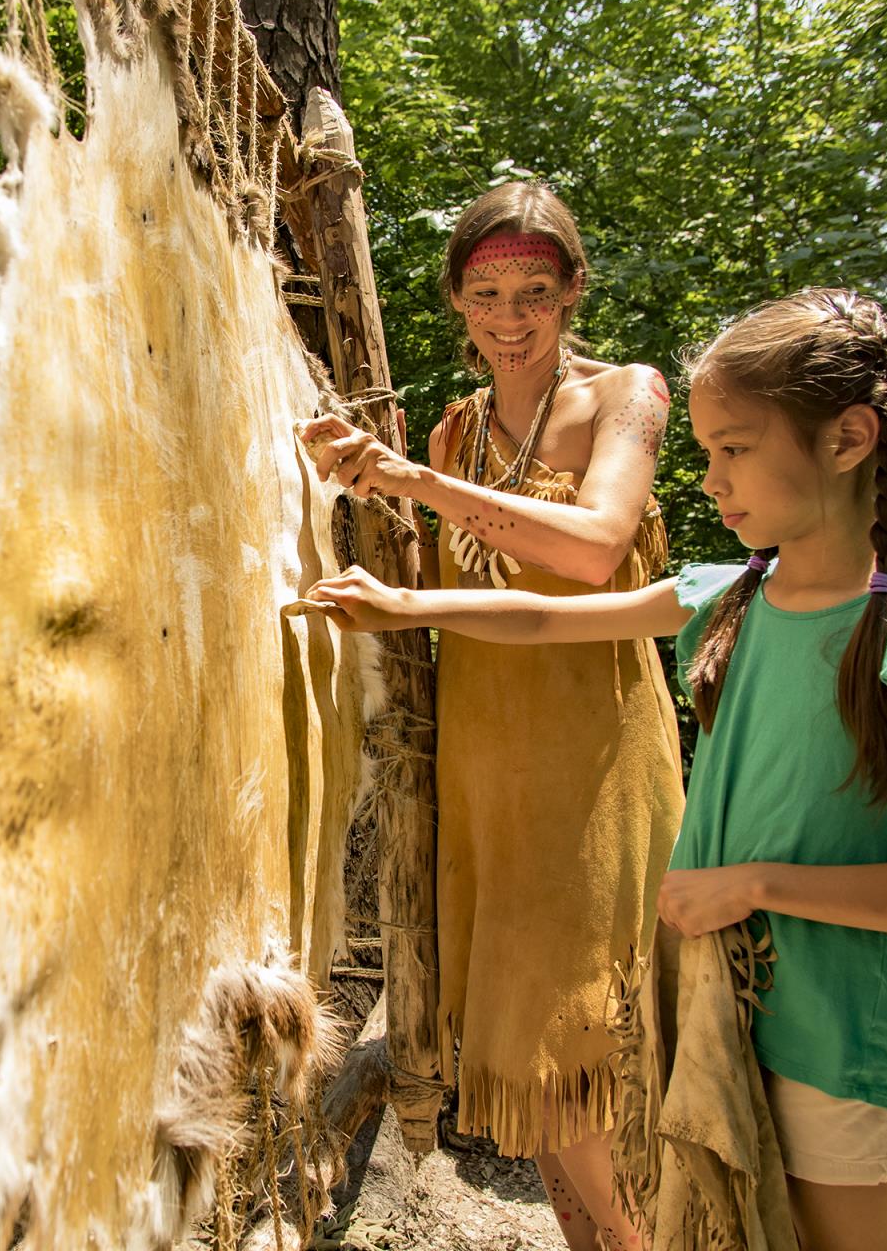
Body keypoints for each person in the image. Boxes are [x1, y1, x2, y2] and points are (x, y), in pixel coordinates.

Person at [303, 288, 887, 1251]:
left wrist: (759, 886)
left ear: (849, 440)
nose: (706, 479)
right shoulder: (731, 594)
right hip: (718, 1028)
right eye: (704, 452)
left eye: (733, 449)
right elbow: (539, 617)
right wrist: (402, 605)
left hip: (845, 1047)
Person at [298, 181, 681, 1249]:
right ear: (458, 301)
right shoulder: (454, 431)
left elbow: (596, 547)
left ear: (571, 294)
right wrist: (357, 488)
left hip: (593, 760)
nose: (509, 317)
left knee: (587, 1056)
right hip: (482, 770)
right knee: (528, 1071)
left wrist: (411, 480)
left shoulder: (626, 398)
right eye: (485, 292)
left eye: (534, 291)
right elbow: (429, 577)